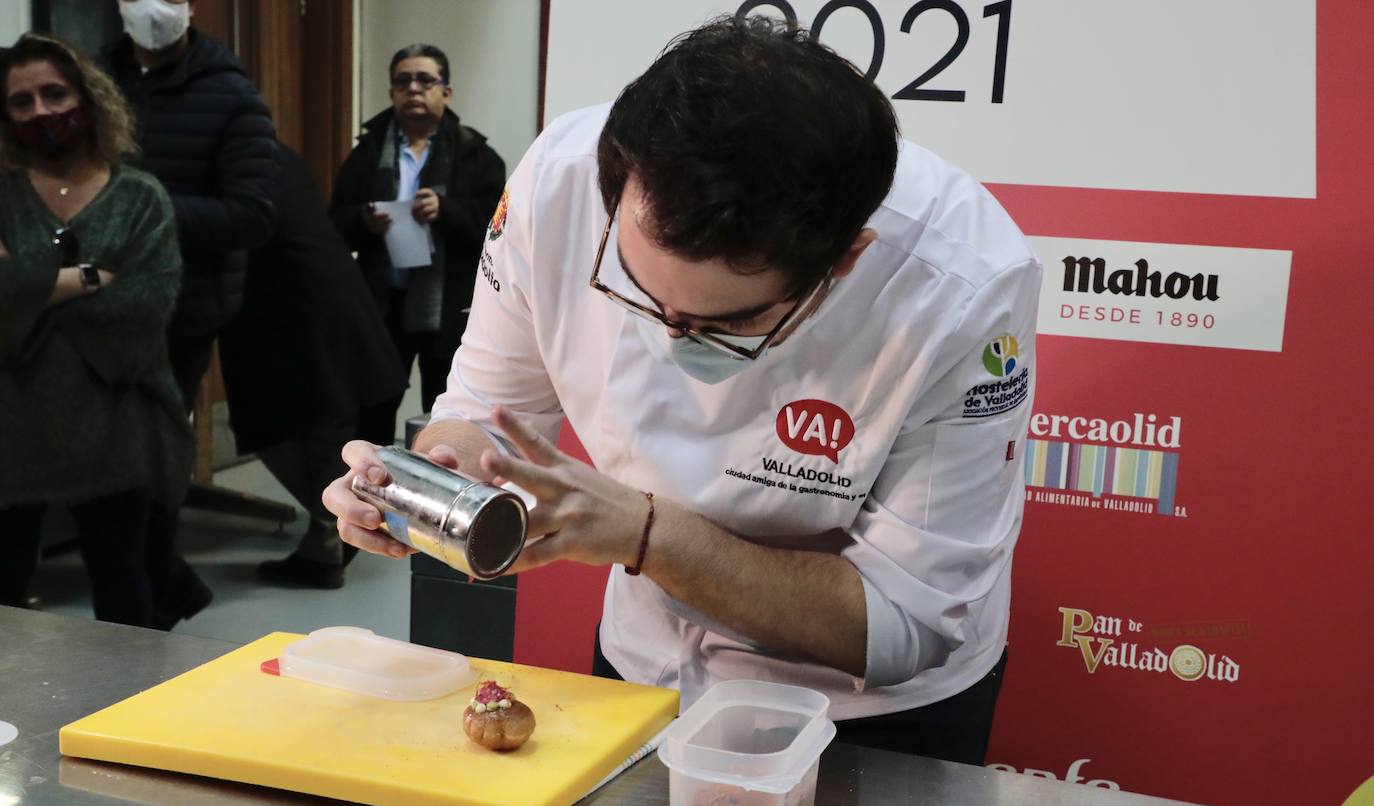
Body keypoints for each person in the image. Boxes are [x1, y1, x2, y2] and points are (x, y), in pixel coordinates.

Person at [324, 18, 1042, 765]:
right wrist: (424, 487)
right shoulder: (561, 181)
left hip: (868, 714)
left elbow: (902, 623)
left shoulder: (963, 285)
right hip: (645, 663)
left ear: (845, 259)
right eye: (638, 294)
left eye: (724, 324)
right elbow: (484, 417)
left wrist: (645, 536)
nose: (672, 340)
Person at [0, 33, 192, 629]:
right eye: (22, 101)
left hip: (118, 426)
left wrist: (24, 288)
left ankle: (129, 714)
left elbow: (144, 307)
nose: (41, 112)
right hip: (13, 429)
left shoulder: (140, 198)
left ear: (88, 97)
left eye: (54, 93)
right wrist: (88, 278)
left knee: (123, 584)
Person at [101, 0, 280, 619]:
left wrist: (144, 214)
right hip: (90, 307)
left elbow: (255, 212)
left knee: (150, 456)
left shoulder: (230, 94)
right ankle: (157, 582)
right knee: (102, 458)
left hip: (180, 312)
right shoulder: (97, 79)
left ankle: (153, 591)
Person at [218, 142, 408, 589]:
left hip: (291, 308)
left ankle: (329, 537)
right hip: (323, 300)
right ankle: (329, 537)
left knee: (315, 427)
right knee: (324, 425)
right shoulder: (274, 153)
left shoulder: (238, 159)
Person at [330, 43, 505, 446]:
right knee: (372, 408)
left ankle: (436, 498)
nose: (413, 88)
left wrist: (447, 211)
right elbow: (335, 222)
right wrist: (364, 221)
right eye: (403, 81)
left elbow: (497, 231)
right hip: (381, 302)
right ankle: (369, 493)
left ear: (446, 92)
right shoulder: (368, 153)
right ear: (391, 92)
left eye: (425, 80)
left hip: (446, 309)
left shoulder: (478, 157)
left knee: (444, 415)